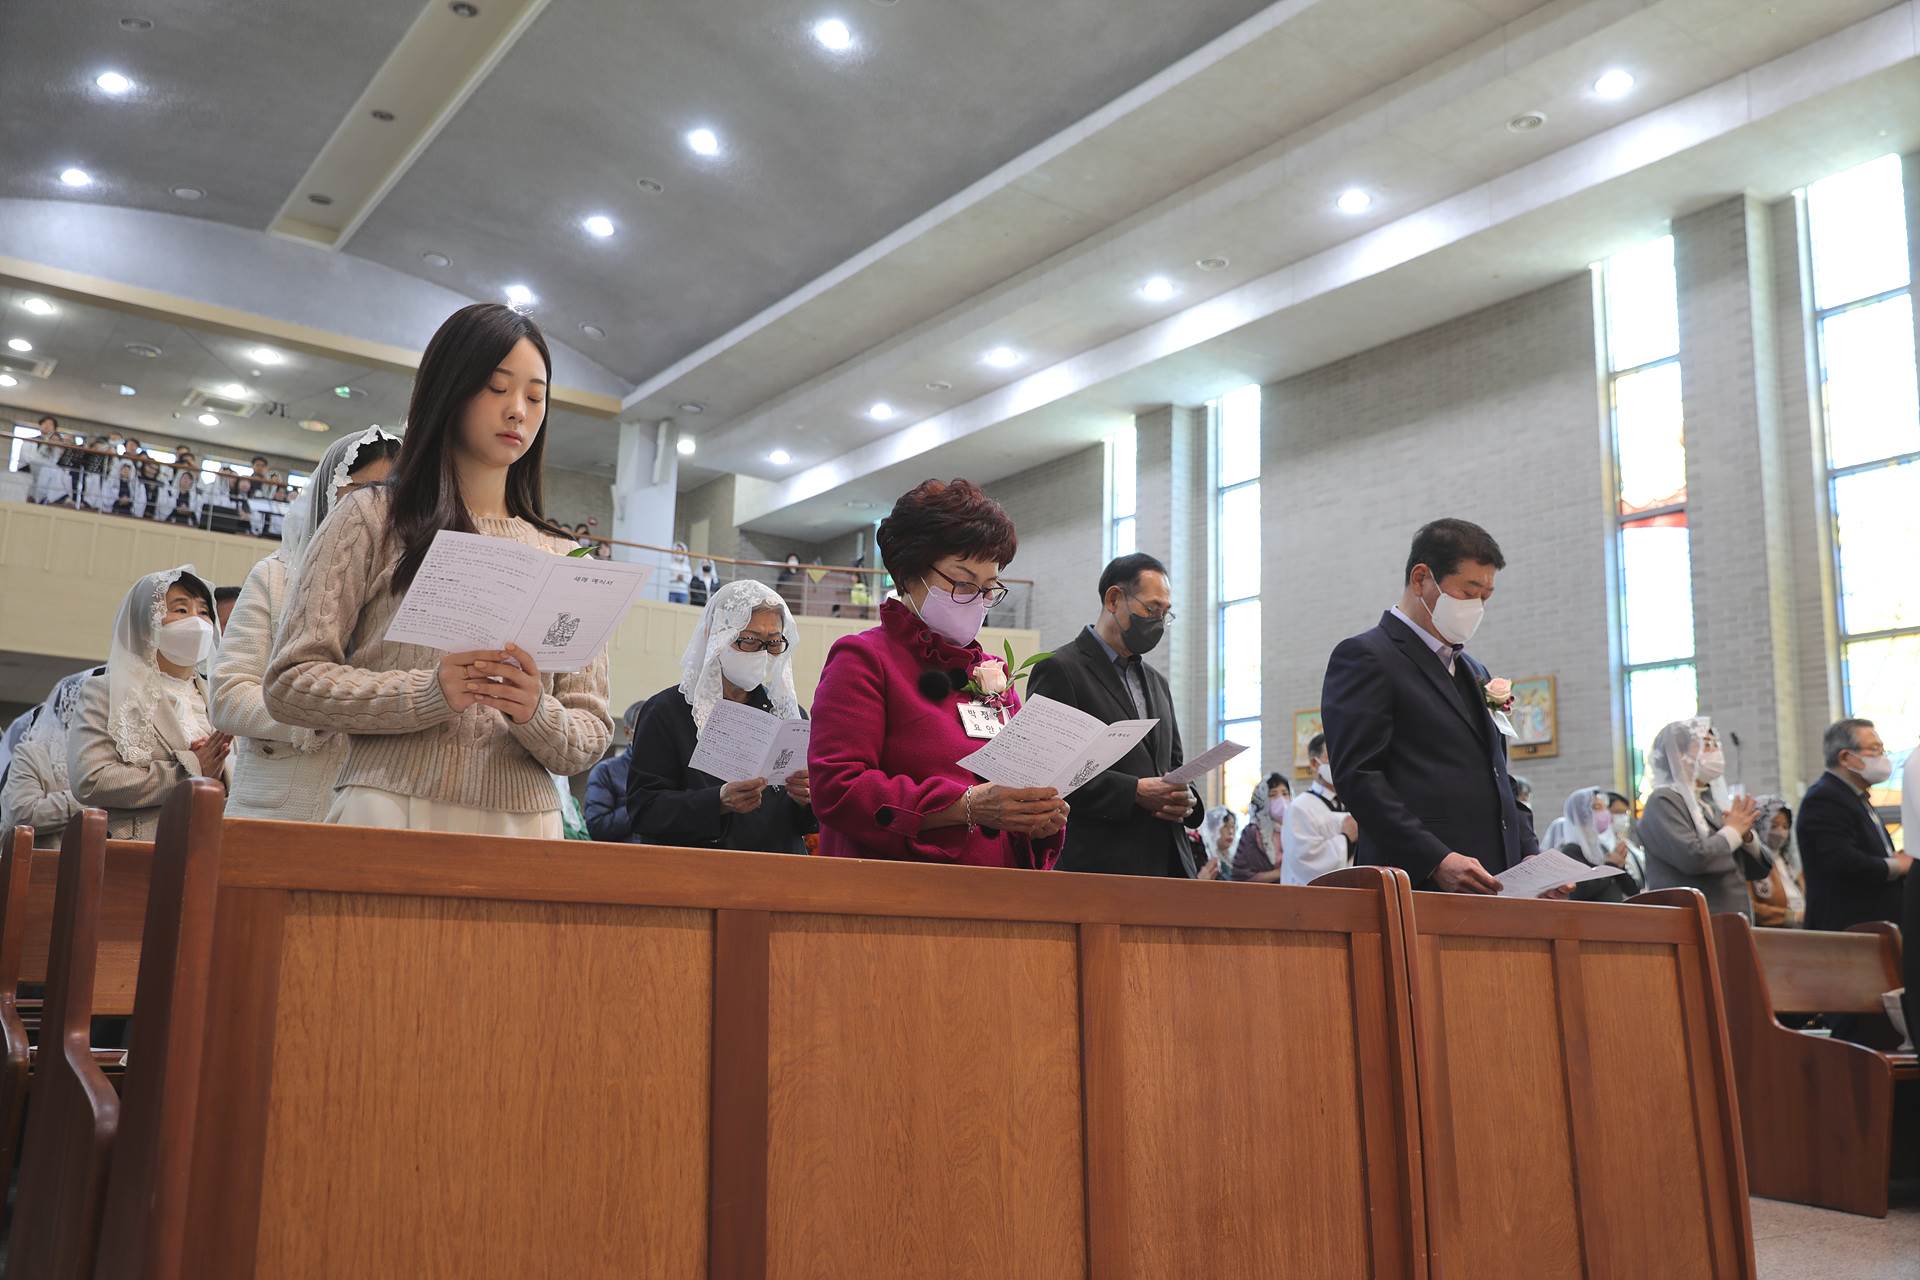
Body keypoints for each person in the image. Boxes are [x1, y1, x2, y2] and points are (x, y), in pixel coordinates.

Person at [265, 303, 611, 836]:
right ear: (451, 388)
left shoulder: (564, 556)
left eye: (535, 396)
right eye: (497, 388)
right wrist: (429, 692)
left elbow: (591, 730)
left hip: (524, 823)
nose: (518, 410)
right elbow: (291, 682)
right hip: (387, 805)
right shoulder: (371, 517)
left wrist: (534, 711)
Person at [808, 478, 1066, 866]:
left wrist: (1034, 817)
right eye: (963, 583)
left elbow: (1008, 790)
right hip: (901, 887)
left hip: (997, 889)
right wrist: (963, 806)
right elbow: (837, 788)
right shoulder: (864, 659)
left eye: (989, 588)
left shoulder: (993, 673)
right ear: (911, 572)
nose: (977, 601)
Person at [1321, 518, 1540, 893]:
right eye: (1469, 592)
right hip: (1416, 883)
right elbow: (1359, 777)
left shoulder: (1476, 671)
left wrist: (1529, 853)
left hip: (1492, 881)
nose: (1477, 607)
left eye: (1486, 597)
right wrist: (1435, 859)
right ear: (1421, 578)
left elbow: (1497, 774)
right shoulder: (1367, 657)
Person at [212, 428, 401, 822]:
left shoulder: (400, 594)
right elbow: (228, 695)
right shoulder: (276, 577)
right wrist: (314, 716)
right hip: (276, 805)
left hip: (368, 805)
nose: (378, 507)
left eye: (392, 493)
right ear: (331, 492)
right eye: (365, 491)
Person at [1029, 552, 1201, 878]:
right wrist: (1133, 791)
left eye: (1165, 614)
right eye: (1151, 609)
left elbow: (1172, 765)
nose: (1158, 622)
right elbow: (1048, 772)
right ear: (1113, 599)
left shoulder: (1157, 683)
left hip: (1169, 864)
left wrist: (1187, 798)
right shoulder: (1060, 669)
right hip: (1101, 865)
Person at [623, 582, 816, 852]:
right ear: (717, 636)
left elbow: (806, 821)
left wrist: (807, 798)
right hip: (700, 868)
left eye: (773, 642)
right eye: (749, 640)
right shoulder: (666, 711)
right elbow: (644, 810)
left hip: (778, 867)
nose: (761, 653)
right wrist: (717, 802)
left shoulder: (789, 715)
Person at [67, 567, 232, 838]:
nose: (197, 622)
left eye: (204, 612)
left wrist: (221, 770)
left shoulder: (219, 696)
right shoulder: (106, 691)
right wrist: (190, 767)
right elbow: (91, 780)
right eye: (181, 610)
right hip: (144, 843)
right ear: (147, 624)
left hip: (218, 839)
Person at [1638, 718, 1770, 916]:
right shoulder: (1663, 801)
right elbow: (1693, 858)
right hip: (1692, 919)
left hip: (1731, 918)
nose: (1716, 750)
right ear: (1679, 754)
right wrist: (1733, 831)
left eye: (1716, 743)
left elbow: (1757, 871)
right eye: (1706, 744)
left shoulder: (1710, 802)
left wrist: (1746, 838)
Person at [1796, 718, 1910, 932]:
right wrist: (1897, 865)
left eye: (1882, 749)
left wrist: (1894, 858)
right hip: (1847, 928)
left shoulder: (1856, 797)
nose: (1883, 757)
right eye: (1874, 749)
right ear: (1846, 757)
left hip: (1873, 925)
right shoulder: (1824, 798)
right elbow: (1841, 861)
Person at [0, 670, 101, 848]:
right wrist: (86, 799)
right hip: (45, 862)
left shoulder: (106, 758)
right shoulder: (33, 754)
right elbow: (21, 814)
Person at [1281, 734, 1357, 886]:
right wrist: (1346, 839)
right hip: (1314, 896)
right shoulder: (1299, 807)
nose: (1340, 762)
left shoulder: (1353, 802)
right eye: (1332, 756)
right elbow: (1306, 863)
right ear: (1314, 764)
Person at [1548, 786, 1632, 904]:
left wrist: (1620, 865)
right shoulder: (1570, 851)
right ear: (1581, 813)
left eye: (1604, 807)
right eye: (1596, 807)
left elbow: (1631, 890)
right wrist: (1611, 865)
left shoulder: (1601, 848)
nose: (1604, 813)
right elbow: (1579, 892)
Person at [583, 701, 645, 842]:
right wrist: (642, 805)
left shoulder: (674, 772)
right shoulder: (606, 772)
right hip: (623, 854)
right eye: (646, 729)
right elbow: (597, 827)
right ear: (628, 733)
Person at [1747, 795, 1806, 927]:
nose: (1780, 832)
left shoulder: (1791, 864)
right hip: (1774, 933)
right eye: (1774, 825)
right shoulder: (1751, 862)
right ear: (1759, 824)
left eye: (1785, 827)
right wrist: (1790, 916)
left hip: (1802, 929)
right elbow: (1750, 907)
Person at [1231, 773, 1289, 883]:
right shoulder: (1253, 832)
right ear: (1263, 799)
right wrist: (1280, 872)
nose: (1281, 799)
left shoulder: (1295, 830)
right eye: (1273, 795)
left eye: (1285, 794)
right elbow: (1242, 876)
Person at [25, 415, 73, 506]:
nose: (47, 426)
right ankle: (61, 497)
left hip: (50, 470)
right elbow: (29, 458)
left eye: (50, 424)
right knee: (52, 470)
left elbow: (58, 461)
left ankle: (49, 497)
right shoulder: (32, 440)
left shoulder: (57, 445)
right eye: (45, 423)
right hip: (35, 467)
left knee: (59, 472)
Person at [1196, 805, 1237, 880]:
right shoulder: (1204, 857)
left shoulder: (1235, 857)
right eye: (1225, 826)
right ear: (1213, 829)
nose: (1231, 832)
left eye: (1232, 826)